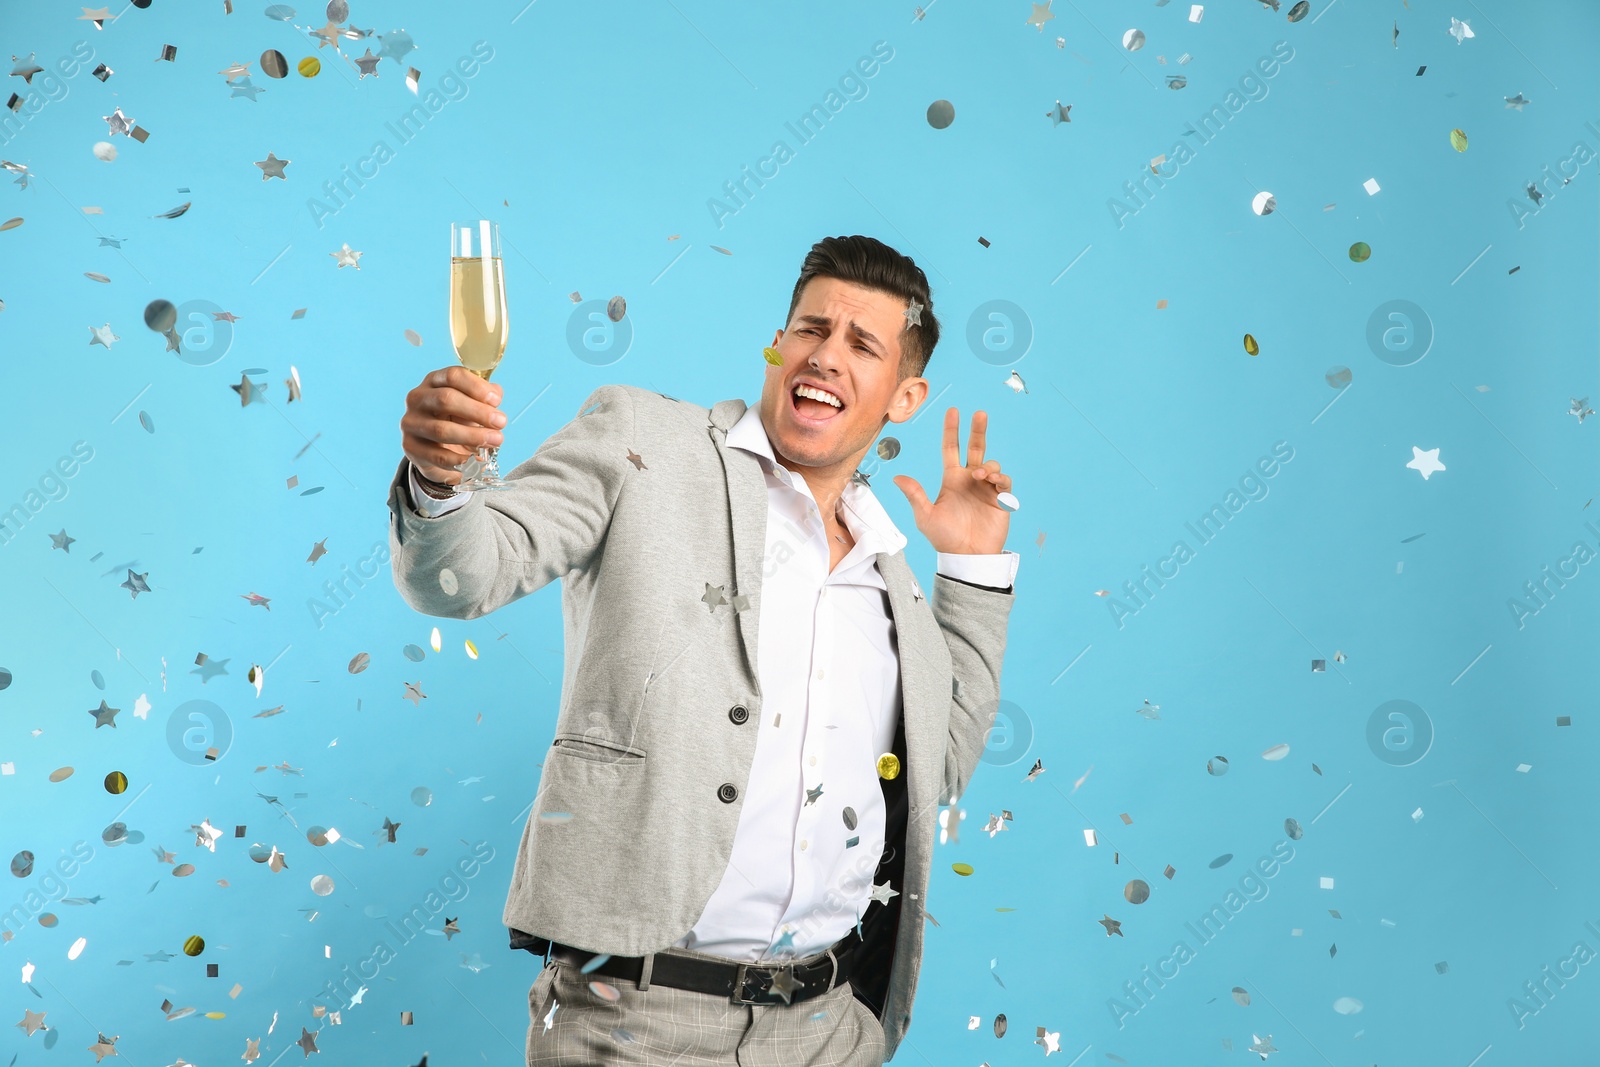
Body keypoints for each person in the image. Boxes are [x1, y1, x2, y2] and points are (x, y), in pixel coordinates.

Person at [388, 234, 1018, 1066]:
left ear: (905, 396)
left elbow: (940, 766)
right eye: (809, 329)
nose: (825, 356)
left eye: (861, 344)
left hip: (830, 1028)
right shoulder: (644, 442)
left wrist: (970, 565)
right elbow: (465, 575)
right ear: (778, 342)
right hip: (635, 1020)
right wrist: (440, 480)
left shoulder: (887, 568)